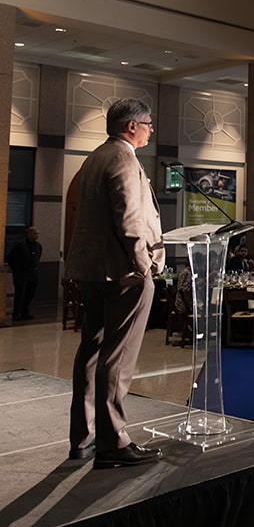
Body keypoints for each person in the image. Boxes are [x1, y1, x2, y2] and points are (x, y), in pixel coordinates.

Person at [66, 98, 164, 468]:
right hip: (122, 272)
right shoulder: (124, 159)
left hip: (92, 270)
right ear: (131, 127)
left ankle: (84, 437)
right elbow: (129, 218)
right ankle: (114, 442)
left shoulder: (94, 158)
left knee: (91, 351)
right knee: (117, 357)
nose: (151, 130)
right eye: (148, 124)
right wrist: (142, 265)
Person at [7, 226, 41, 321]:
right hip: (21, 273)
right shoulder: (20, 245)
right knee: (20, 294)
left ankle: (24, 311)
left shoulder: (38, 246)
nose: (36, 235)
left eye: (37, 233)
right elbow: (10, 258)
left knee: (30, 293)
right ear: (29, 234)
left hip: (33, 273)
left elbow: (38, 257)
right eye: (35, 233)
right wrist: (16, 269)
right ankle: (16, 313)